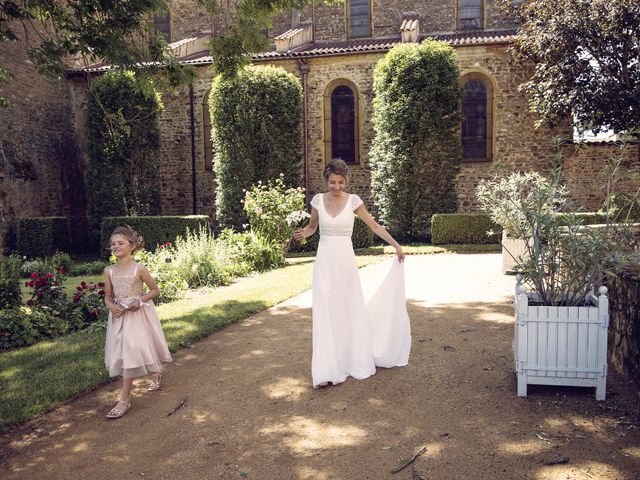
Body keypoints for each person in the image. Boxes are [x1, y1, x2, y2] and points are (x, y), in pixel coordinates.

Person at [293, 158, 411, 387]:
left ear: (346, 180)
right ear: (326, 180)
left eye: (341, 182)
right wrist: (302, 234)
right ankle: (327, 368)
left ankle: (352, 359)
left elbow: (374, 226)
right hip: (325, 262)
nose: (337, 187)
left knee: (348, 307)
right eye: (332, 182)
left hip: (345, 263)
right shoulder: (317, 201)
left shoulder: (354, 201)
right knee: (326, 311)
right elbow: (312, 227)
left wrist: (396, 245)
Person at [103, 226, 172, 419]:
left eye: (120, 243)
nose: (115, 246)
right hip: (119, 317)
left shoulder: (139, 268)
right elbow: (108, 297)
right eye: (113, 244)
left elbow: (155, 290)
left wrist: (139, 300)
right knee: (132, 350)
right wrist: (110, 306)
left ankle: (124, 400)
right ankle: (155, 372)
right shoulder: (109, 271)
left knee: (132, 350)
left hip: (137, 313)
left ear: (132, 246)